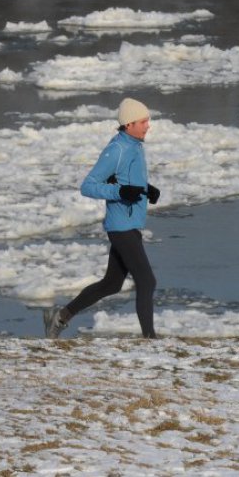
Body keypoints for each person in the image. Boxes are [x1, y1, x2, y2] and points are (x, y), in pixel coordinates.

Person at [44, 98, 161, 339]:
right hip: (121, 227)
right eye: (143, 122)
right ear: (129, 124)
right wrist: (120, 192)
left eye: (147, 121)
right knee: (146, 281)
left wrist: (146, 188)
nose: (147, 126)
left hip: (130, 223)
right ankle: (150, 340)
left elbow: (125, 178)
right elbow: (88, 186)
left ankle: (60, 317)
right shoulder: (117, 149)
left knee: (111, 284)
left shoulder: (134, 145)